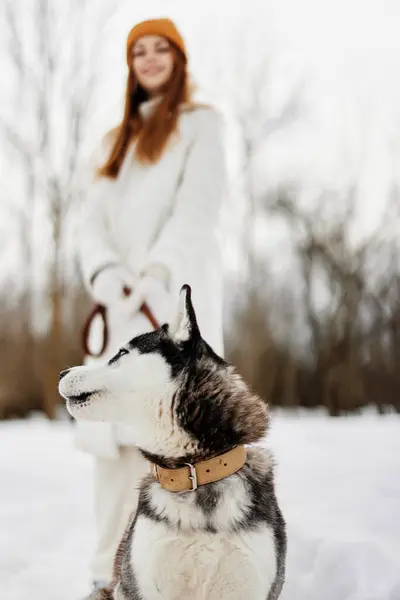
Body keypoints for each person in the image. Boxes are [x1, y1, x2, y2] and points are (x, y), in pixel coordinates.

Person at [76, 17, 226, 598]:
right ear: (130, 64)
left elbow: (198, 207)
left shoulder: (200, 126)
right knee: (113, 446)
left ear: (179, 59)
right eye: (139, 51)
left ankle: (175, 577)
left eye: (161, 49)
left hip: (177, 306)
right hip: (119, 312)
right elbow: (91, 221)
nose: (150, 59)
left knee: (175, 442)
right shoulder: (111, 141)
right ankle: (105, 577)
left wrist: (159, 275)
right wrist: (107, 272)